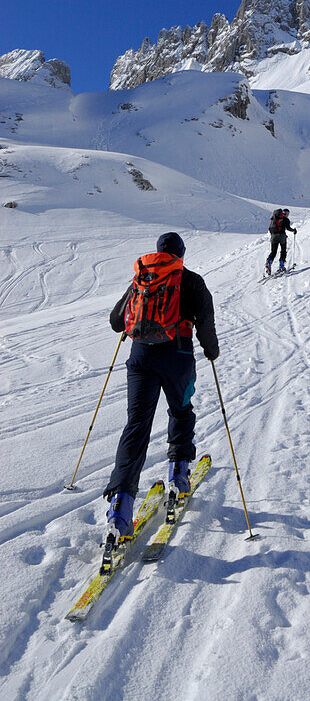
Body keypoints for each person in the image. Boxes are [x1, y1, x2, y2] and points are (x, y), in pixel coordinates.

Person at [104, 232, 219, 541]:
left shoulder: (142, 278)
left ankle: (119, 509)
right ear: (181, 254)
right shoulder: (191, 280)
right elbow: (205, 322)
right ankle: (179, 477)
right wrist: (211, 350)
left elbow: (117, 321)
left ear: (157, 252)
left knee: (136, 425)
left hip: (140, 358)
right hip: (178, 355)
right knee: (181, 411)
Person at [265, 208, 297, 275]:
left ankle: (269, 262)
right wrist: (294, 230)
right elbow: (288, 228)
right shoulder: (286, 219)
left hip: (273, 236)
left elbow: (270, 228)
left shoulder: (273, 219)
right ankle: (281, 265)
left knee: (273, 252)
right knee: (283, 251)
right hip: (282, 236)